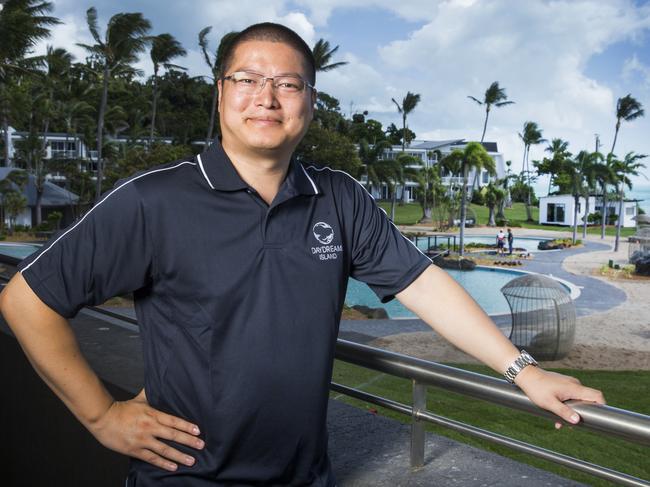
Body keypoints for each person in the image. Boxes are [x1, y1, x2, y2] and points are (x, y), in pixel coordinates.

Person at [0, 22, 604, 487]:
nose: (267, 97)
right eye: (247, 79)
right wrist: (102, 417)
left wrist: (526, 372)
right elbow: (26, 299)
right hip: (185, 477)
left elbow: (424, 285)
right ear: (220, 94)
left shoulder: (337, 197)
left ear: (309, 102)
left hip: (306, 475)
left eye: (287, 83)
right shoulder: (153, 200)